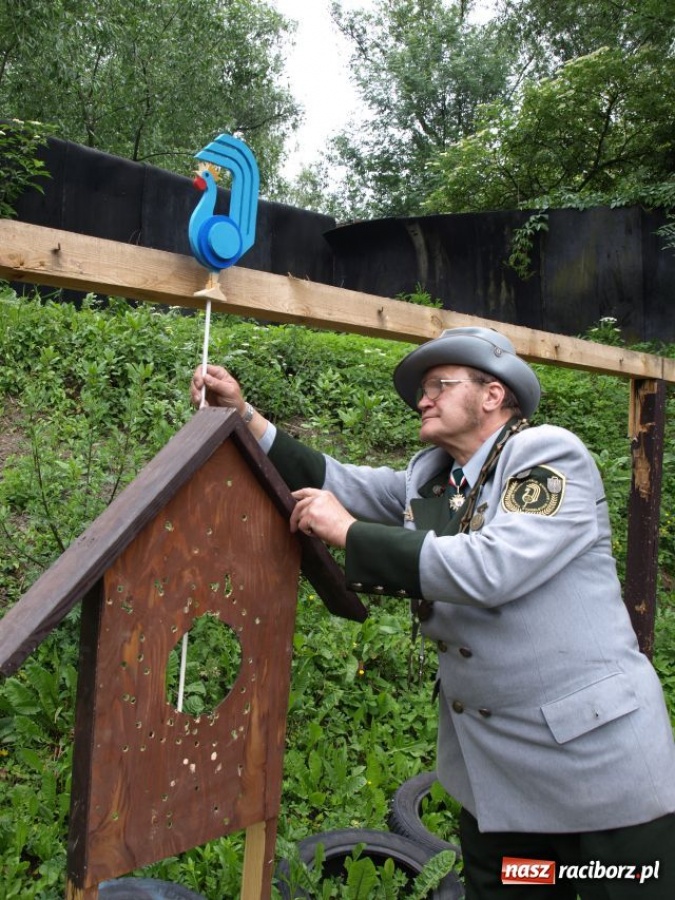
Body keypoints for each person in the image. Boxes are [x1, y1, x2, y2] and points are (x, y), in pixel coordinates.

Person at [191, 326, 675, 898]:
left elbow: (493, 567)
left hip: (596, 776)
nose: (422, 399)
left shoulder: (546, 455)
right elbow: (340, 480)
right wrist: (245, 417)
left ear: (492, 394)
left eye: (439, 385)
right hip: (500, 786)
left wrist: (347, 532)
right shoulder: (435, 481)